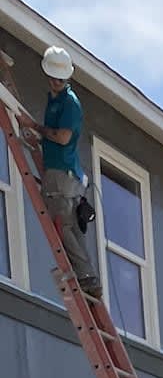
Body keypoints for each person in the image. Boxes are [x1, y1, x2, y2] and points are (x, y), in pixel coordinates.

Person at [37, 47, 101, 298]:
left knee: (63, 225)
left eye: (60, 78)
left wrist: (36, 128)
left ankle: (86, 277)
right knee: (71, 225)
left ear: (67, 78)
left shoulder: (69, 103)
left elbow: (63, 138)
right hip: (67, 172)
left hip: (62, 172)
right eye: (53, 77)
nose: (56, 81)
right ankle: (89, 278)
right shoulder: (56, 99)